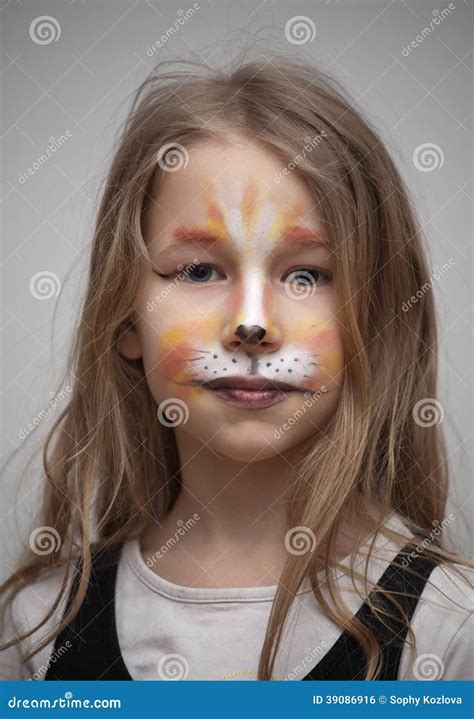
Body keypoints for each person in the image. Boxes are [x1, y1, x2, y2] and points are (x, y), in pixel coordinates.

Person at [0, 55, 472, 681]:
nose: (252, 325)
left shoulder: (449, 630)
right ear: (124, 317)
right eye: (198, 271)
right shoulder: (38, 629)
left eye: (307, 274)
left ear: (378, 316)